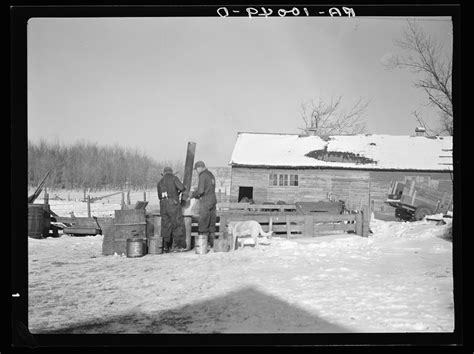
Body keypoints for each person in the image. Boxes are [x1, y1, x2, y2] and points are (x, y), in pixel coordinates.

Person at [157, 167, 187, 252]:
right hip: (173, 204)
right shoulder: (174, 178)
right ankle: (180, 246)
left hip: (163, 205)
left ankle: (166, 246)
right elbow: (182, 188)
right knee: (177, 224)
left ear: (164, 172)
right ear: (171, 172)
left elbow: (159, 196)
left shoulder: (160, 182)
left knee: (165, 226)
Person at [191, 161, 217, 249]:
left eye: (196, 169)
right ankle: (212, 243)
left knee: (203, 221)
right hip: (213, 199)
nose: (196, 171)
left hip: (206, 200)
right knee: (211, 222)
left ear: (200, 167)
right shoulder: (211, 175)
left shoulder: (203, 175)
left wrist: (193, 195)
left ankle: (202, 244)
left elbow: (201, 190)